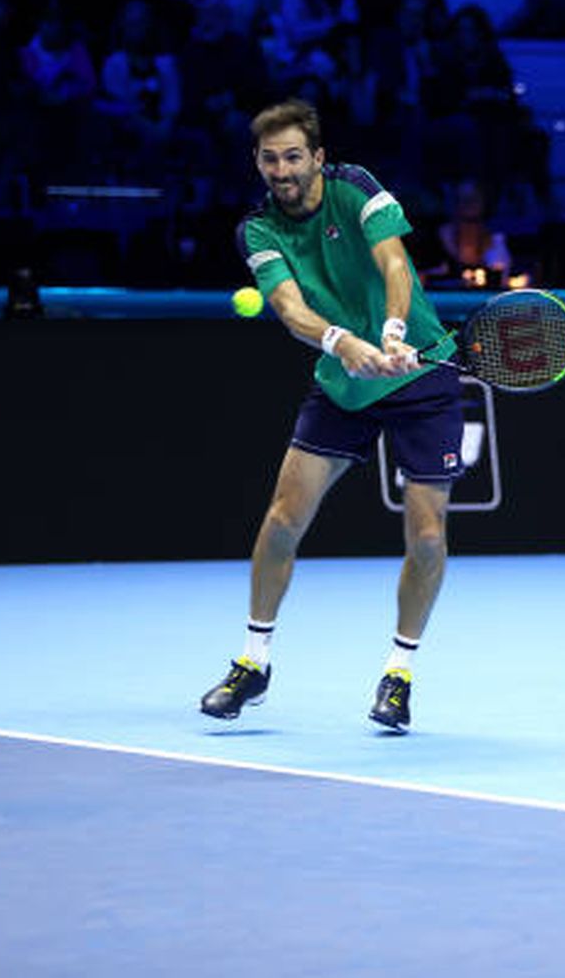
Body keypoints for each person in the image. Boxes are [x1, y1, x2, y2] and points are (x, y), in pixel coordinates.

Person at [200, 98, 465, 733]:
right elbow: (291, 311)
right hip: (343, 384)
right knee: (282, 520)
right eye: (270, 159)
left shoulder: (358, 189)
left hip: (421, 375)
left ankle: (398, 675)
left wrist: (394, 330)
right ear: (257, 164)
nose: (282, 169)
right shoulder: (257, 231)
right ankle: (253, 661)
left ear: (318, 158)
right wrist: (345, 345)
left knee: (427, 537)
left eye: (294, 156)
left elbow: (395, 262)